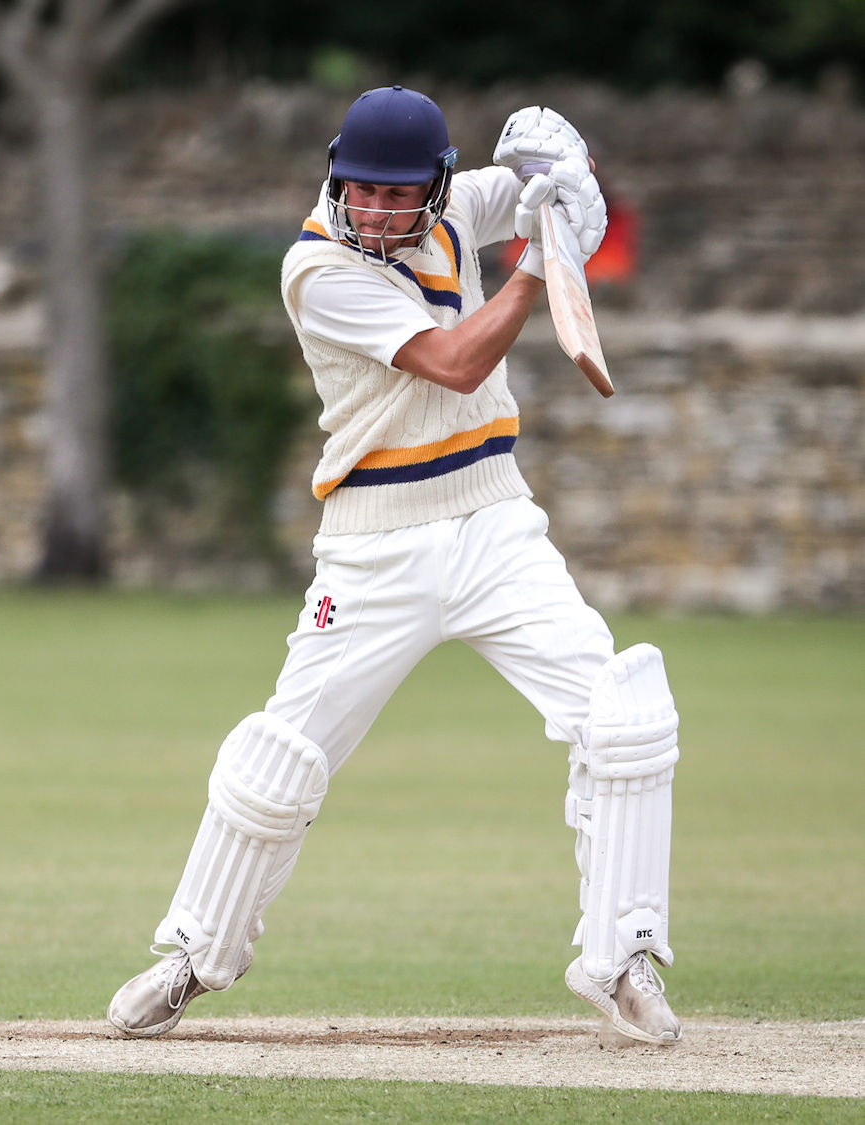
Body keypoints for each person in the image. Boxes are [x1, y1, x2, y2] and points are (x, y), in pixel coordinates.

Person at [106, 87, 682, 1046]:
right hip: (376, 542)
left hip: (496, 519)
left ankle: (622, 958)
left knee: (623, 715)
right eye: (359, 189)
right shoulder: (316, 267)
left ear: (434, 185)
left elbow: (534, 184)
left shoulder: (451, 206)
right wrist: (540, 270)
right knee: (279, 760)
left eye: (397, 193)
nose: (375, 209)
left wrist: (568, 188)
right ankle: (194, 955)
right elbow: (455, 360)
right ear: (336, 176)